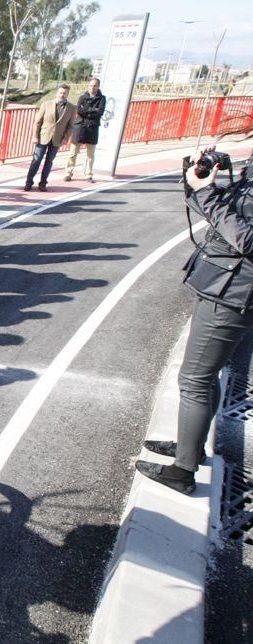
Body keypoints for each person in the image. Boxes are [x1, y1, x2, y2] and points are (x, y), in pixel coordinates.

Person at [136, 149, 250, 495]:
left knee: (195, 378)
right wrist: (198, 185)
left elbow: (245, 237)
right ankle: (191, 448)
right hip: (228, 288)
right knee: (205, 374)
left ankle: (183, 471)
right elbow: (223, 216)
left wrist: (208, 195)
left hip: (233, 294)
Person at [24, 83, 76, 192]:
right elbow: (38, 122)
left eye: (64, 93)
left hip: (57, 139)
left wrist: (66, 138)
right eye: (61, 92)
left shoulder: (71, 108)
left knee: (49, 162)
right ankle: (29, 182)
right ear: (57, 92)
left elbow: (71, 125)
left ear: (67, 94)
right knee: (36, 160)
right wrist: (35, 136)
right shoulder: (46, 104)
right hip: (43, 137)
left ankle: (43, 183)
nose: (62, 95)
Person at [65, 78, 105, 183]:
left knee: (90, 154)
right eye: (91, 85)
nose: (92, 88)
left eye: (95, 86)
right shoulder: (82, 97)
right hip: (79, 127)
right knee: (73, 153)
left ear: (98, 86)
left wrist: (86, 111)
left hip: (92, 128)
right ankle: (68, 173)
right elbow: (79, 110)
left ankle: (88, 175)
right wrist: (93, 110)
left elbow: (100, 112)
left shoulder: (102, 99)